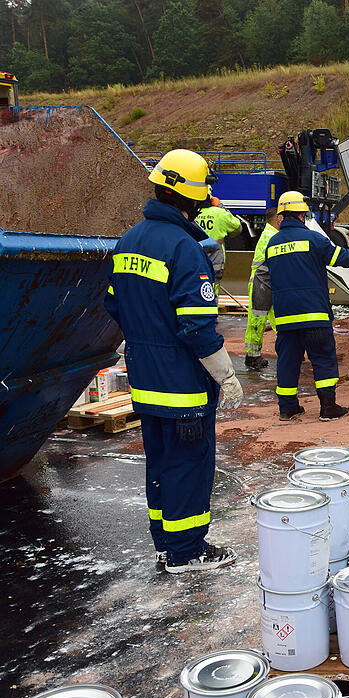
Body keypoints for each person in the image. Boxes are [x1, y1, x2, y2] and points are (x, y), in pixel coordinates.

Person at [104, 149, 243, 574]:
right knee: (189, 463)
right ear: (193, 196)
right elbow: (197, 329)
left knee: (161, 461)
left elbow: (113, 305)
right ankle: (188, 552)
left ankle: (166, 543)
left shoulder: (129, 240)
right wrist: (227, 375)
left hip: (145, 379)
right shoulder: (184, 248)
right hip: (181, 383)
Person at [263, 191, 349, 421]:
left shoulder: (272, 244)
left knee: (287, 362)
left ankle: (287, 407)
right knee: (322, 359)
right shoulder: (313, 239)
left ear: (283, 215)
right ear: (302, 214)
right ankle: (327, 407)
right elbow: (340, 259)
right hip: (314, 314)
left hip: (285, 318)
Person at [244, 207, 280, 370]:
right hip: (261, 283)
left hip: (267, 282)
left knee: (278, 319)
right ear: (278, 219)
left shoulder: (272, 235)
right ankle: (252, 357)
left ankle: (289, 351)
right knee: (257, 320)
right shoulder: (270, 237)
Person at [194, 195, 241, 286]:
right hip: (215, 263)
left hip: (194, 263)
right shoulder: (220, 213)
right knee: (212, 292)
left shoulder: (190, 215)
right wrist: (221, 206)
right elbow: (238, 228)